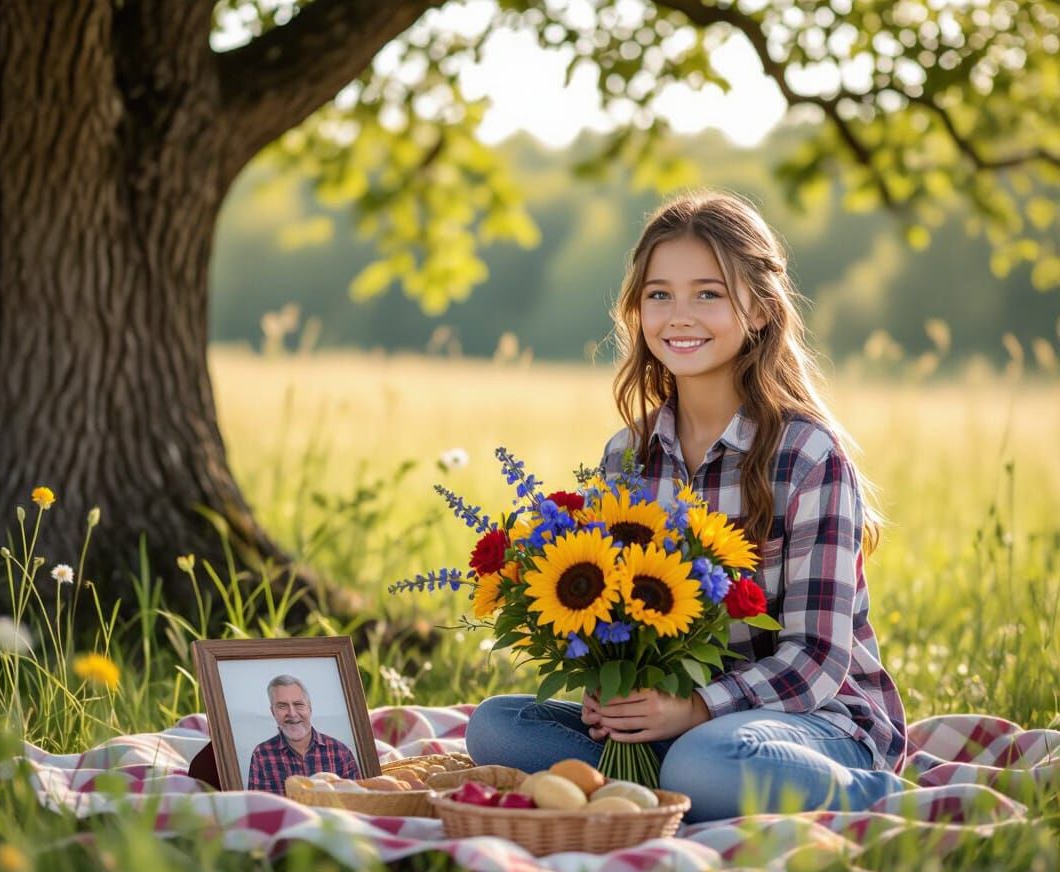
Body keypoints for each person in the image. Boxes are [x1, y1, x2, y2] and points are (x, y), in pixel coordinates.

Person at [465, 190, 910, 823]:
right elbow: (608, 612)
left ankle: (877, 797)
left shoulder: (807, 454)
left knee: (705, 762)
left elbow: (815, 659)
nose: (680, 315)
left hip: (812, 722)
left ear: (758, 309)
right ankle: (669, 788)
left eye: (708, 293)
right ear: (637, 309)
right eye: (658, 294)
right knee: (498, 727)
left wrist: (698, 709)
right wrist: (607, 689)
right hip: (675, 722)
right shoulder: (627, 456)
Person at [247, 674, 359, 793]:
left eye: (298, 704)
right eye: (282, 706)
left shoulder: (340, 752)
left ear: (309, 708)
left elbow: (357, 802)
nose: (292, 713)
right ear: (273, 712)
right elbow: (259, 808)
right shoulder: (261, 755)